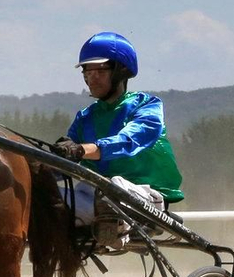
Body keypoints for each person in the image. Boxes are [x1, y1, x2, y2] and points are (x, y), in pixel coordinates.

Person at [52, 32, 183, 242]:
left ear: (121, 71)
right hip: (96, 196)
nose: (91, 78)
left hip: (144, 198)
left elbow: (128, 141)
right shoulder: (85, 118)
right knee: (41, 196)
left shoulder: (147, 106)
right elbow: (65, 165)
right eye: (87, 70)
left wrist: (81, 149)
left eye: (99, 70)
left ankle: (113, 222)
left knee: (114, 188)